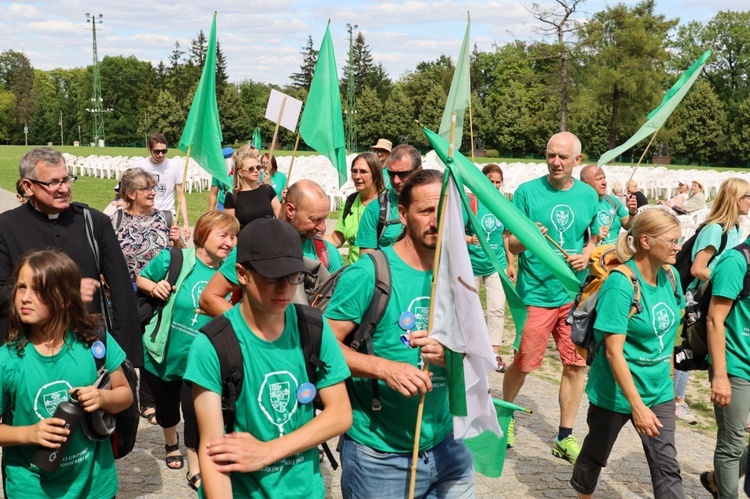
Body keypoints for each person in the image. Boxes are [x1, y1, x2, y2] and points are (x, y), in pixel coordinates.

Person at [326, 169, 476, 497]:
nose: (435, 221)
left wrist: (452, 354)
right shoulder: (370, 272)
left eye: (443, 211)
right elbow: (323, 344)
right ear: (403, 215)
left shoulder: (458, 269)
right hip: (380, 456)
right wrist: (384, 368)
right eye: (425, 212)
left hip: (448, 443)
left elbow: (474, 347)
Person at [184, 217, 352, 497]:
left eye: (294, 276)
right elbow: (213, 450)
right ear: (241, 273)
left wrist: (268, 452)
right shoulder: (211, 345)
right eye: (272, 276)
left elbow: (340, 414)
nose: (285, 288)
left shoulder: (313, 328)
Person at [570, 208, 686, 498]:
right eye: (672, 240)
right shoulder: (621, 284)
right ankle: (583, 493)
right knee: (595, 455)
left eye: (678, 240)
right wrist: (637, 406)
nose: (678, 247)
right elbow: (612, 352)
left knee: (667, 467)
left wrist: (667, 385)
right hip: (615, 392)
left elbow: (668, 335)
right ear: (646, 241)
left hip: (658, 390)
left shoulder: (671, 277)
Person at [0, 250, 133, 497]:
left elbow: (125, 395)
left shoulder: (94, 342)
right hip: (31, 488)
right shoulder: (7, 360)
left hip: (95, 486)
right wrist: (28, 433)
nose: (25, 298)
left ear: (66, 299)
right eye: (21, 287)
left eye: (38, 290)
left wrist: (102, 398)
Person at [503, 132, 599, 464]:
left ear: (577, 161)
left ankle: (564, 436)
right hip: (536, 296)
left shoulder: (588, 195)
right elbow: (511, 244)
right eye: (550, 155)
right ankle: (507, 417)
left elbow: (594, 238)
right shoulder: (527, 193)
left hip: (573, 296)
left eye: (562, 157)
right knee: (525, 362)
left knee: (575, 366)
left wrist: (587, 255)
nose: (555, 162)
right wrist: (529, 239)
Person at [0, 147, 142, 365]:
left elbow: (122, 292)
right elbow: (3, 292)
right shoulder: (6, 227)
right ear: (28, 186)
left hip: (88, 349)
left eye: (66, 179)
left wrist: (126, 357)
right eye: (53, 182)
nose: (64, 188)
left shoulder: (94, 222)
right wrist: (63, 293)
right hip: (28, 352)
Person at [136, 210, 239, 490]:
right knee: (167, 407)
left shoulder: (232, 275)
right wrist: (155, 286)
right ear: (203, 233)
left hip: (202, 359)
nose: (229, 242)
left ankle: (195, 466)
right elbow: (141, 279)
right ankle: (171, 442)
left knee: (196, 413)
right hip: (164, 352)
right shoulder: (176, 259)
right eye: (223, 235)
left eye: (233, 237)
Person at [199, 179, 344, 317]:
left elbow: (337, 310)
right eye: (315, 219)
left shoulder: (327, 253)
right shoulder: (256, 244)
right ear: (290, 210)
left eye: (324, 219)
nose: (322, 227)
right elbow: (209, 298)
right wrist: (251, 331)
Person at [674, 178, 750, 427]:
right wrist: (729, 283)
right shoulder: (715, 229)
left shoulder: (734, 227)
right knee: (693, 349)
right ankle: (676, 400)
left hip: (720, 296)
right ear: (738, 199)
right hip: (701, 299)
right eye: (748, 196)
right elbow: (698, 268)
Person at [112, 167, 184, 427]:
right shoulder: (115, 220)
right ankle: (125, 399)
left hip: (159, 295)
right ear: (131, 193)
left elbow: (178, 257)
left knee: (153, 347)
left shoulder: (165, 217)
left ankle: (149, 402)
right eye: (147, 188)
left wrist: (178, 241)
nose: (153, 192)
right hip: (125, 296)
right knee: (128, 350)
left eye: (154, 187)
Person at [705, 227, 750, 498]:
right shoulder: (737, 261)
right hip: (735, 365)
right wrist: (720, 376)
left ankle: (716, 479)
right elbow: (714, 319)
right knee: (732, 445)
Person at [466, 164, 515, 372]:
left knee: (496, 308)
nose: (494, 185)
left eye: (498, 182)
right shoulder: (470, 202)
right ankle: (468, 350)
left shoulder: (502, 204)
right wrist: (470, 238)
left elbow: (506, 236)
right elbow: (455, 229)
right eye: (490, 181)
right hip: (472, 264)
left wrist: (511, 263)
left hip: (496, 264)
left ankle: (493, 353)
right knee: (469, 309)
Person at [356, 144, 422, 253]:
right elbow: (367, 260)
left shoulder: (437, 204)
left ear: (419, 171)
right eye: (391, 174)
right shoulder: (374, 209)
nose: (396, 180)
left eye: (403, 174)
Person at [327, 152, 386, 265]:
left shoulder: (388, 203)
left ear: (376, 174)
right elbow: (336, 239)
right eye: (354, 171)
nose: (357, 176)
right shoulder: (350, 202)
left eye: (363, 172)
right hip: (355, 274)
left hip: (383, 276)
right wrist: (309, 234)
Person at [136, 133, 191, 239]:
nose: (161, 154)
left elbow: (180, 196)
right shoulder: (140, 166)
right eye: (157, 151)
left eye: (164, 151)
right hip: (145, 216)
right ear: (149, 149)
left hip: (168, 216)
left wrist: (186, 223)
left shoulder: (174, 167)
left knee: (174, 250)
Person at [224, 147, 281, 229]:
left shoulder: (267, 190)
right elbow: (230, 228)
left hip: (269, 238)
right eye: (251, 169)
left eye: (258, 167)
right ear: (240, 173)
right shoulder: (232, 196)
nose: (256, 170)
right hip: (245, 240)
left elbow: (281, 216)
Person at [580, 165, 637, 245]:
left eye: (604, 178)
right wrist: (593, 236)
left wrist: (632, 212)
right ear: (586, 184)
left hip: (616, 253)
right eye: (599, 179)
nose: (604, 182)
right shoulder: (579, 206)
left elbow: (628, 226)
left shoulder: (612, 201)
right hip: (594, 255)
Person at [208, 147, 235, 211]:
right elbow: (213, 194)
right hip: (222, 205)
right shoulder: (218, 173)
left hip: (237, 204)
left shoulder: (240, 170)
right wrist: (210, 212)